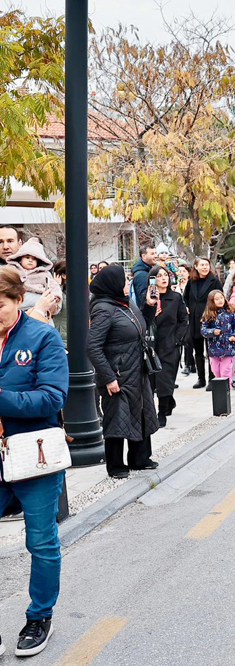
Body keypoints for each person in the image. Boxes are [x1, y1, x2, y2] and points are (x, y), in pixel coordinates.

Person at [0, 266, 68, 657]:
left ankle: (40, 616)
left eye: (1, 307)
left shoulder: (42, 337)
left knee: (40, 540)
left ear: (17, 300)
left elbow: (52, 398)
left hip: (33, 454)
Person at [87, 265, 160, 478]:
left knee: (141, 412)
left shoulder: (125, 304)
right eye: (125, 281)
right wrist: (108, 377)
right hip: (118, 373)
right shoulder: (103, 308)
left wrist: (148, 306)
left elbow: (142, 326)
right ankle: (116, 466)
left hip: (136, 369)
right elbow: (92, 346)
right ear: (113, 284)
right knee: (117, 417)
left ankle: (140, 459)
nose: (128, 284)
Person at [142, 266, 188, 427]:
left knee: (165, 379)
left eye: (166, 275)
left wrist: (177, 340)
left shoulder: (175, 297)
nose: (163, 278)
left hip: (170, 344)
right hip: (151, 345)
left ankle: (162, 412)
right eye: (159, 276)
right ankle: (163, 404)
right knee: (151, 380)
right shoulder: (147, 297)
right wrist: (149, 306)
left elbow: (183, 320)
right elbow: (142, 319)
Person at [183, 258, 223, 389]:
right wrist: (187, 307)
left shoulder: (214, 281)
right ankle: (201, 378)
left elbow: (220, 297)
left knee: (211, 350)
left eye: (206, 265)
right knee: (198, 351)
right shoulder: (191, 282)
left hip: (211, 319)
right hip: (195, 320)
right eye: (202, 265)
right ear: (196, 266)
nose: (205, 267)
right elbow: (186, 297)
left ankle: (212, 378)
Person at [7, 238, 62, 326]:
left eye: (34, 259)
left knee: (46, 326)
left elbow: (54, 286)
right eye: (27, 257)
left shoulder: (44, 274)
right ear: (20, 259)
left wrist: (56, 297)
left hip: (40, 307)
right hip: (18, 309)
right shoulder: (13, 270)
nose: (30, 260)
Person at [200, 290, 235, 385]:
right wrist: (213, 332)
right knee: (215, 371)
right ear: (211, 301)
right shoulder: (208, 315)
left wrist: (234, 336)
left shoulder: (231, 313)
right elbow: (203, 330)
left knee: (225, 372)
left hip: (228, 347)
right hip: (214, 349)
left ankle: (226, 391)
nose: (220, 300)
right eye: (216, 299)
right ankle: (220, 390)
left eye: (221, 298)